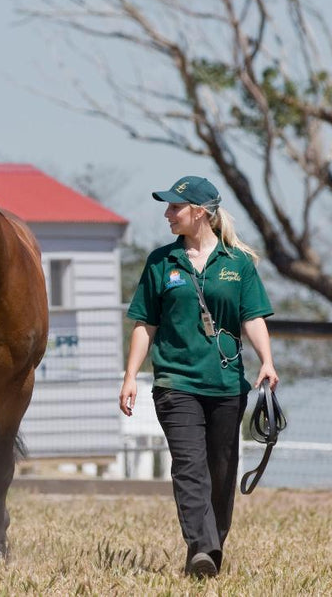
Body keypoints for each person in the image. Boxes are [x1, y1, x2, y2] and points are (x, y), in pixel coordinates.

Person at [119, 175, 279, 579]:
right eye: (168, 206)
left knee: (221, 471)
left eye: (175, 207)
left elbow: (253, 317)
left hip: (226, 385)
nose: (167, 213)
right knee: (189, 467)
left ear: (201, 213)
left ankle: (213, 545)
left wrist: (267, 360)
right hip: (176, 383)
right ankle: (201, 549)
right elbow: (144, 324)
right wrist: (130, 376)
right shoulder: (161, 262)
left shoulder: (238, 264)